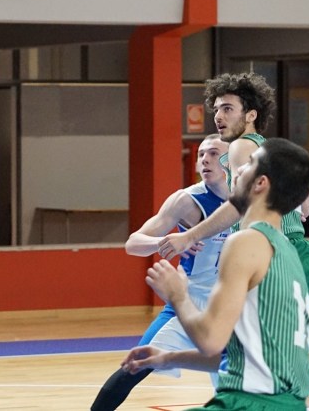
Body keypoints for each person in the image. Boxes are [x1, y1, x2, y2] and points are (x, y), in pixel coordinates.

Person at [124, 139, 309, 411]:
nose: (234, 168)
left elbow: (210, 341)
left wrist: (177, 295)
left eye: (249, 164)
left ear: (261, 183)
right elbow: (238, 356)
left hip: (254, 403)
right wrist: (167, 358)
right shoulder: (288, 251)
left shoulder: (245, 242)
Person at [90, 135, 232, 410]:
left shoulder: (247, 202)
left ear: (232, 160)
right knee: (137, 364)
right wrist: (165, 242)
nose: (205, 160)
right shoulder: (187, 201)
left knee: (235, 378)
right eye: (201, 154)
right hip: (188, 300)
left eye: (214, 153)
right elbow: (133, 243)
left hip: (230, 306)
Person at [158, 72, 309, 308]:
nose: (218, 116)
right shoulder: (267, 150)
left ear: (251, 115)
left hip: (273, 253)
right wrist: (301, 203)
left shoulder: (241, 146)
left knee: (238, 329)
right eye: (216, 110)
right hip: (299, 253)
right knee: (283, 330)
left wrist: (189, 236)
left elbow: (238, 205)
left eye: (227, 109)